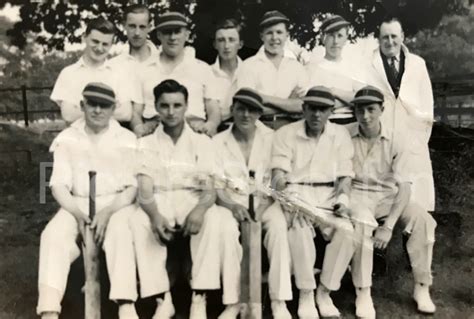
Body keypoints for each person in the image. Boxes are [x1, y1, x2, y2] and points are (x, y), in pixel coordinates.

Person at [317, 86, 437, 318]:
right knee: (363, 222)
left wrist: (389, 226)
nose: (366, 116)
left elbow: (404, 187)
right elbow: (340, 177)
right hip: (356, 194)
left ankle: (422, 287)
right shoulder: (344, 135)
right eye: (360, 110)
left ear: (382, 109)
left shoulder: (397, 138)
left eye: (371, 109)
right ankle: (364, 292)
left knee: (423, 221)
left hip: (389, 196)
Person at [130, 80, 241, 319]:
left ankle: (199, 296)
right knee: (139, 221)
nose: (171, 112)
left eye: (177, 105)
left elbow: (210, 186)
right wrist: (155, 215)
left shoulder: (202, 141)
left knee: (214, 218)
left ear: (186, 106)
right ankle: (162, 298)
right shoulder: (146, 142)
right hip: (160, 198)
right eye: (165, 106)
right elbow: (145, 187)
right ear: (156, 108)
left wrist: (200, 210)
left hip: (192, 197)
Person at [37, 83, 139, 319]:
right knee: (52, 235)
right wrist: (77, 214)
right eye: (92, 104)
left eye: (104, 106)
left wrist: (108, 212)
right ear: (82, 106)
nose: (97, 111)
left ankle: (126, 304)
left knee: (120, 231)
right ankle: (49, 309)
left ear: (113, 108)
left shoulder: (126, 138)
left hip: (117, 203)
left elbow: (132, 187)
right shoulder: (67, 138)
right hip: (77, 203)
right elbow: (58, 185)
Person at [263, 86, 355, 318]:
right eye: (312, 108)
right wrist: (293, 203)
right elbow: (277, 176)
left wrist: (343, 201)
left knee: (347, 230)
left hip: (328, 196)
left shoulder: (340, 135)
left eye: (322, 110)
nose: (316, 115)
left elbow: (345, 176)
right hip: (295, 194)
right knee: (299, 228)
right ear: (303, 109)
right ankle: (306, 292)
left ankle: (324, 292)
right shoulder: (285, 133)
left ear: (330, 112)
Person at [213, 88, 292, 318]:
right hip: (231, 202)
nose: (246, 115)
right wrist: (232, 206)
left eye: (252, 110)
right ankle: (233, 301)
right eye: (241, 109)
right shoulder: (218, 141)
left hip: (264, 201)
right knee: (226, 230)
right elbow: (217, 184)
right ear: (232, 110)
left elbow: (277, 179)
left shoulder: (273, 139)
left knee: (277, 227)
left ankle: (279, 301)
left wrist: (263, 206)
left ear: (259, 113)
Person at [362, 17, 435, 212]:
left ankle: (411, 240)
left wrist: (419, 142)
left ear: (402, 37)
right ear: (379, 39)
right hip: (382, 140)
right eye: (385, 37)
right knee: (379, 201)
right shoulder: (368, 64)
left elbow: (427, 107)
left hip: (412, 141)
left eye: (394, 36)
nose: (390, 41)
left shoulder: (417, 65)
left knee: (415, 203)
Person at [50, 18, 143, 129]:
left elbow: (125, 114)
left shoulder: (119, 73)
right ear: (85, 38)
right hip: (78, 139)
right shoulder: (68, 73)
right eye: (95, 41)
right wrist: (110, 110)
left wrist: (83, 111)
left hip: (111, 139)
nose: (99, 48)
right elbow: (68, 115)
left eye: (105, 44)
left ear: (111, 45)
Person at [141, 12, 222, 136]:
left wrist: (210, 125)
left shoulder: (203, 69)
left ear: (186, 35)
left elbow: (213, 109)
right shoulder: (144, 69)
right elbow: (136, 111)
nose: (172, 37)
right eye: (167, 32)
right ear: (159, 35)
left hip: (194, 131)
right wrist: (139, 127)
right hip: (154, 132)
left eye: (177, 31)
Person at [236, 10, 308, 128]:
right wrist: (289, 105)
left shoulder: (296, 67)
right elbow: (247, 108)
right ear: (262, 36)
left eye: (279, 32)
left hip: (291, 128)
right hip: (259, 127)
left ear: (286, 36)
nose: (274, 37)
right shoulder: (249, 65)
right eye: (269, 33)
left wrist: (264, 98)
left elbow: (304, 106)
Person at [109, 3, 160, 137]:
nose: (137, 33)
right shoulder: (114, 65)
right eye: (132, 26)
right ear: (124, 26)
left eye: (142, 27)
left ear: (149, 27)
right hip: (121, 131)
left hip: (158, 129)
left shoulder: (162, 62)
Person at [307, 15, 364, 125]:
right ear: (323, 37)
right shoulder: (311, 69)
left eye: (340, 36)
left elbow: (363, 99)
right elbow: (312, 104)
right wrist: (349, 99)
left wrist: (334, 91)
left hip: (352, 123)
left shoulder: (354, 68)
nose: (336, 41)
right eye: (331, 36)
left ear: (346, 38)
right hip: (323, 125)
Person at [211, 18, 244, 122]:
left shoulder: (251, 70)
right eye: (221, 40)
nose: (226, 46)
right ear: (215, 45)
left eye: (231, 40)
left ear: (240, 44)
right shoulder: (206, 73)